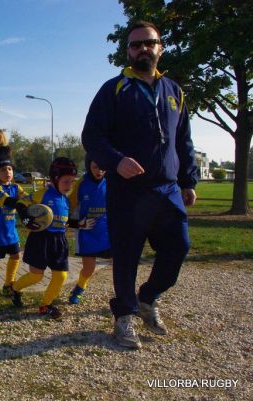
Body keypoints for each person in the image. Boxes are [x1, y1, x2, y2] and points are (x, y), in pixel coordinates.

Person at [81, 20, 197, 349]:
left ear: (160, 47)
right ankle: (125, 316)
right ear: (128, 52)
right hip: (129, 193)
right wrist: (116, 161)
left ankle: (148, 298)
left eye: (149, 43)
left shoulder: (175, 91)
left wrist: (188, 179)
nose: (142, 49)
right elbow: (91, 136)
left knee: (179, 247)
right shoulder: (114, 89)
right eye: (135, 45)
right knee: (127, 257)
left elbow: (183, 140)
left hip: (168, 191)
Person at [9, 158, 78, 320]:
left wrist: (79, 224)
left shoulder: (65, 199)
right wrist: (25, 217)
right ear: (55, 179)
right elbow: (21, 203)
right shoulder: (42, 193)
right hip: (41, 239)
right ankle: (15, 288)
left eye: (72, 182)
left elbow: (65, 220)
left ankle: (45, 304)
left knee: (61, 275)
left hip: (59, 240)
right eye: (66, 181)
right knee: (37, 275)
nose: (69, 185)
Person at [67, 157, 111, 304]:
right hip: (87, 234)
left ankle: (124, 296)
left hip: (107, 233)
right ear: (88, 166)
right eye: (95, 167)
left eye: (102, 167)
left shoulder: (112, 182)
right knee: (89, 268)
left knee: (120, 264)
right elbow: (66, 208)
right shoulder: (81, 184)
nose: (99, 171)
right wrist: (77, 223)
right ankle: (79, 288)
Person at [0, 158, 26, 296]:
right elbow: (6, 200)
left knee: (15, 255)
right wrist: (20, 204)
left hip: (10, 231)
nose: (7, 172)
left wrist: (43, 194)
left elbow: (27, 198)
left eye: (10, 169)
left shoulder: (16, 188)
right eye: (3, 170)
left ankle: (9, 284)